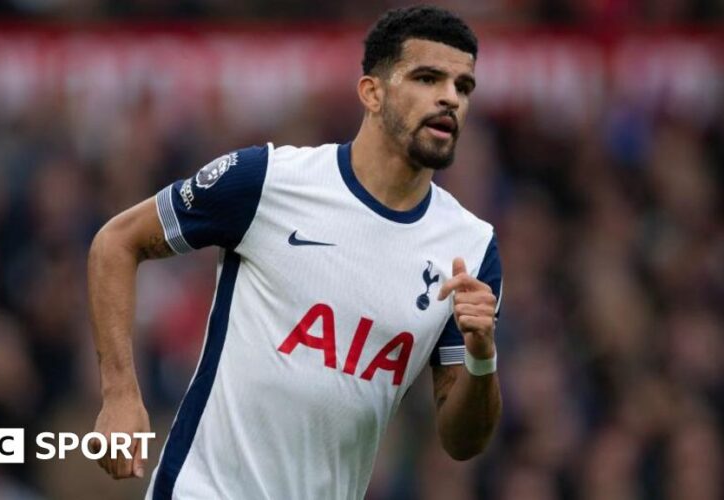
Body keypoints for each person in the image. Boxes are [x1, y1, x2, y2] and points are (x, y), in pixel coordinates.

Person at [87, 5, 503, 499]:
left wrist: (482, 357)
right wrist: (119, 394)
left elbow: (462, 442)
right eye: (428, 77)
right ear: (372, 92)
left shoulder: (470, 250)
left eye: (463, 86)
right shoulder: (267, 181)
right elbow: (116, 241)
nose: (450, 98)